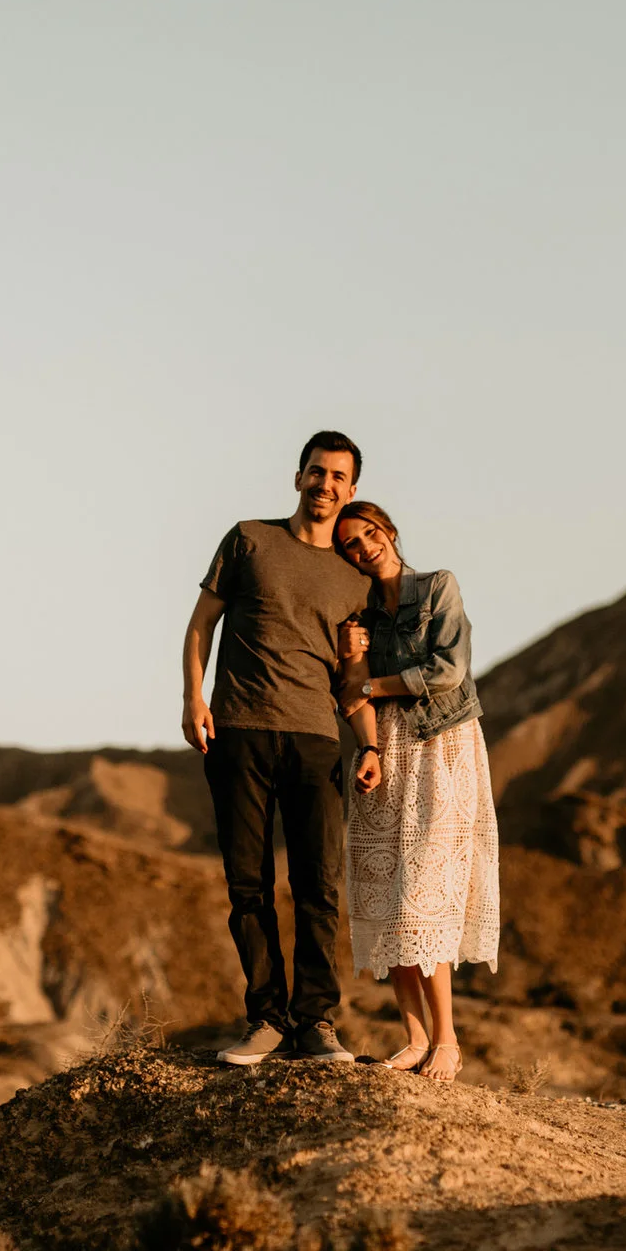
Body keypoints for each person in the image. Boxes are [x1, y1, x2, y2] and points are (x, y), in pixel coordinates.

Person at [181, 431, 374, 1066]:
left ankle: (316, 1023)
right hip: (239, 730)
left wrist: (367, 743)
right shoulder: (248, 539)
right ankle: (266, 1020)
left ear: (351, 491)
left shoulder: (355, 578)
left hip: (317, 740)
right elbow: (202, 622)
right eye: (316, 473)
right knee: (249, 885)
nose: (325, 486)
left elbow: (351, 679)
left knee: (319, 885)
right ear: (298, 478)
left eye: (339, 478)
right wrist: (193, 697)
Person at [331, 500, 500, 1081]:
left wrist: (374, 684)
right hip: (385, 749)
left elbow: (449, 669)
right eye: (350, 543)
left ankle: (448, 1042)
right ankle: (414, 1037)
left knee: (427, 891)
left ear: (390, 531)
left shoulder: (437, 587)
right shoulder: (357, 618)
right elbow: (351, 693)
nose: (364, 547)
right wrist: (366, 728)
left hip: (442, 746)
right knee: (387, 895)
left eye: (370, 534)